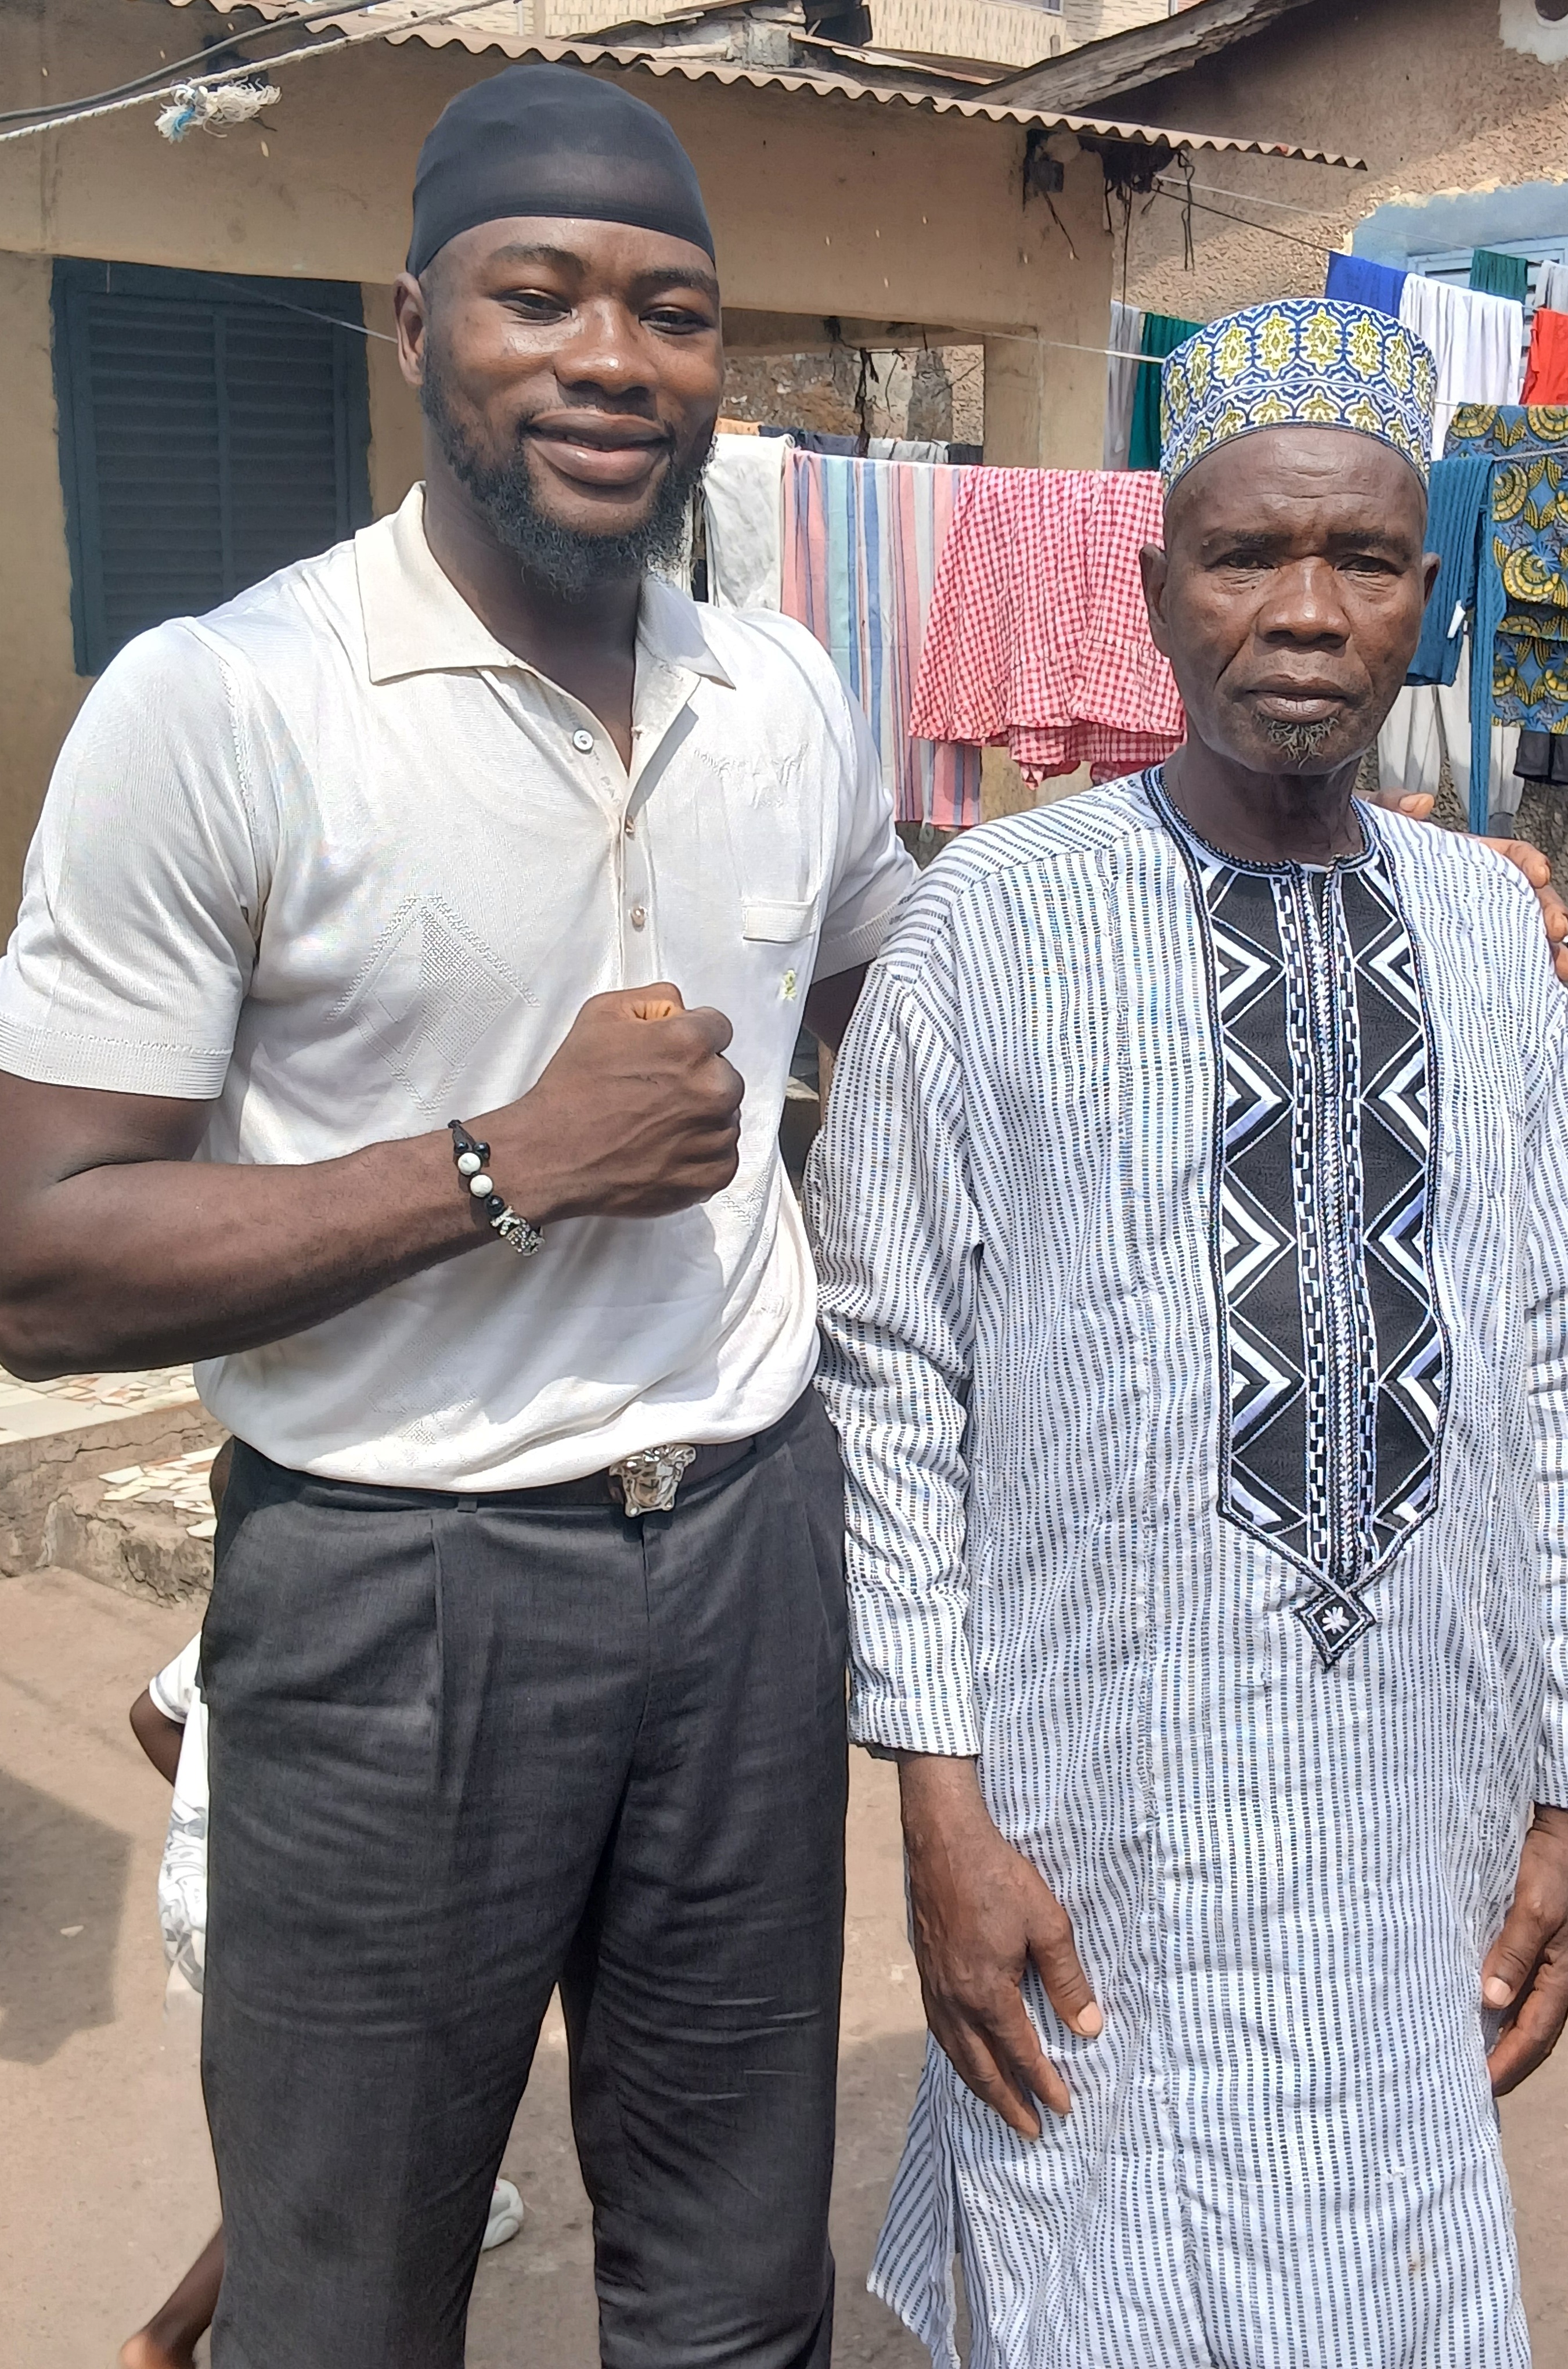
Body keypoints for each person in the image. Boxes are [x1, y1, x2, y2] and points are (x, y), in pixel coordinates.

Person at [0, 64, 915, 2369]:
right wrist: (506, 1165)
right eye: (542, 295)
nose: (613, 359)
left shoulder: (784, 688)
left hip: (748, 1559)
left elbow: (920, 974)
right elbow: (41, 1255)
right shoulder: (229, 705)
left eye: (672, 311)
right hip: (397, 1593)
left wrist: (1330, 868)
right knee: (345, 2301)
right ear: (415, 324)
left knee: (735, 2285)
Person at [808, 297, 1568, 2369]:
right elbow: (888, 1377)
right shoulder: (986, 924)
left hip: (1416, 1810)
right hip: (1099, 1815)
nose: (1302, 612)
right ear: (1150, 588)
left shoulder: (1488, 933)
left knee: (1393, 2285)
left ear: (1426, 601)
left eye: (1361, 561)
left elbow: (1558, 1366)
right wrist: (937, 1807)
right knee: (1097, 2261)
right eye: (1244, 554)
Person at [118, 1457, 524, 2369]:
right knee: (322, 2163)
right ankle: (167, 2335)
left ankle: (457, 2192)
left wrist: (222, 1815)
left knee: (287, 2125)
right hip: (296, 1902)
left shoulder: (230, 1631)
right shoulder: (364, 1642)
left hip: (208, 1892)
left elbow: (149, 1718)